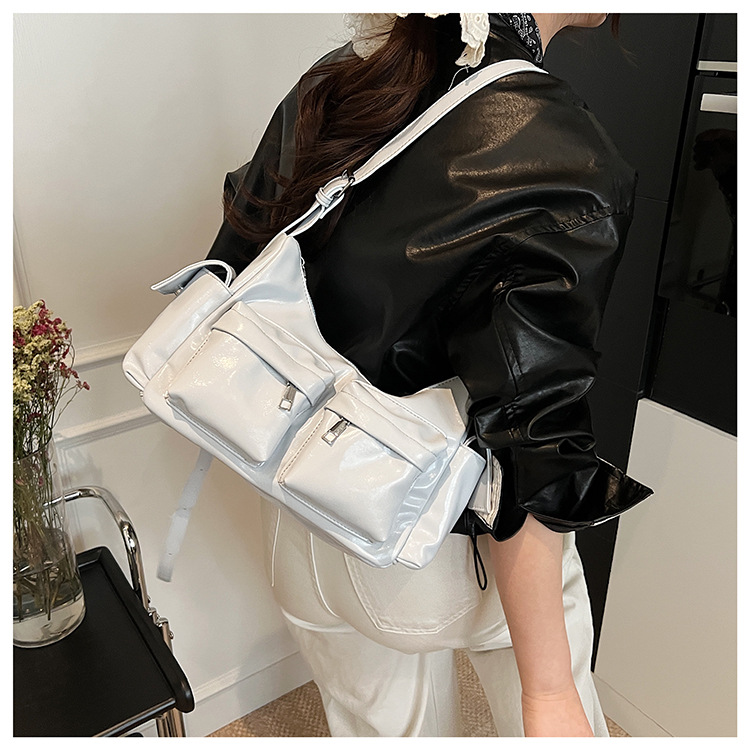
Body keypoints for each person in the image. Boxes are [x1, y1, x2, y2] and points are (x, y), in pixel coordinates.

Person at [206, 13, 653, 737]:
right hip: (424, 535)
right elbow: (532, 441)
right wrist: (548, 694)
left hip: (298, 510)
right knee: (553, 688)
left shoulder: (344, 74)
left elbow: (235, 265)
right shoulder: (560, 147)